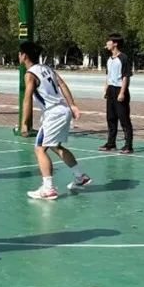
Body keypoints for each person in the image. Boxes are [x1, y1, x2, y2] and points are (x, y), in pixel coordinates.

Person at [19, 41, 93, 200]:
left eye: (19, 53)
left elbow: (27, 99)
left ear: (24, 55)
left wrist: (24, 123)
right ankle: (80, 176)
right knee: (54, 146)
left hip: (53, 114)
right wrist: (72, 105)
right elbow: (62, 84)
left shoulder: (30, 74)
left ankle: (48, 188)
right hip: (63, 110)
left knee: (39, 149)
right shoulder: (47, 69)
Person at [101, 33, 135, 154]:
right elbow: (108, 75)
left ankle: (128, 145)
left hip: (120, 90)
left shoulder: (123, 58)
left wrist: (122, 93)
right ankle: (111, 143)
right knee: (111, 118)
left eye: (109, 41)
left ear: (115, 43)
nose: (107, 43)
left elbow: (126, 77)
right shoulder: (109, 59)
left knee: (124, 119)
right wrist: (106, 89)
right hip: (111, 90)